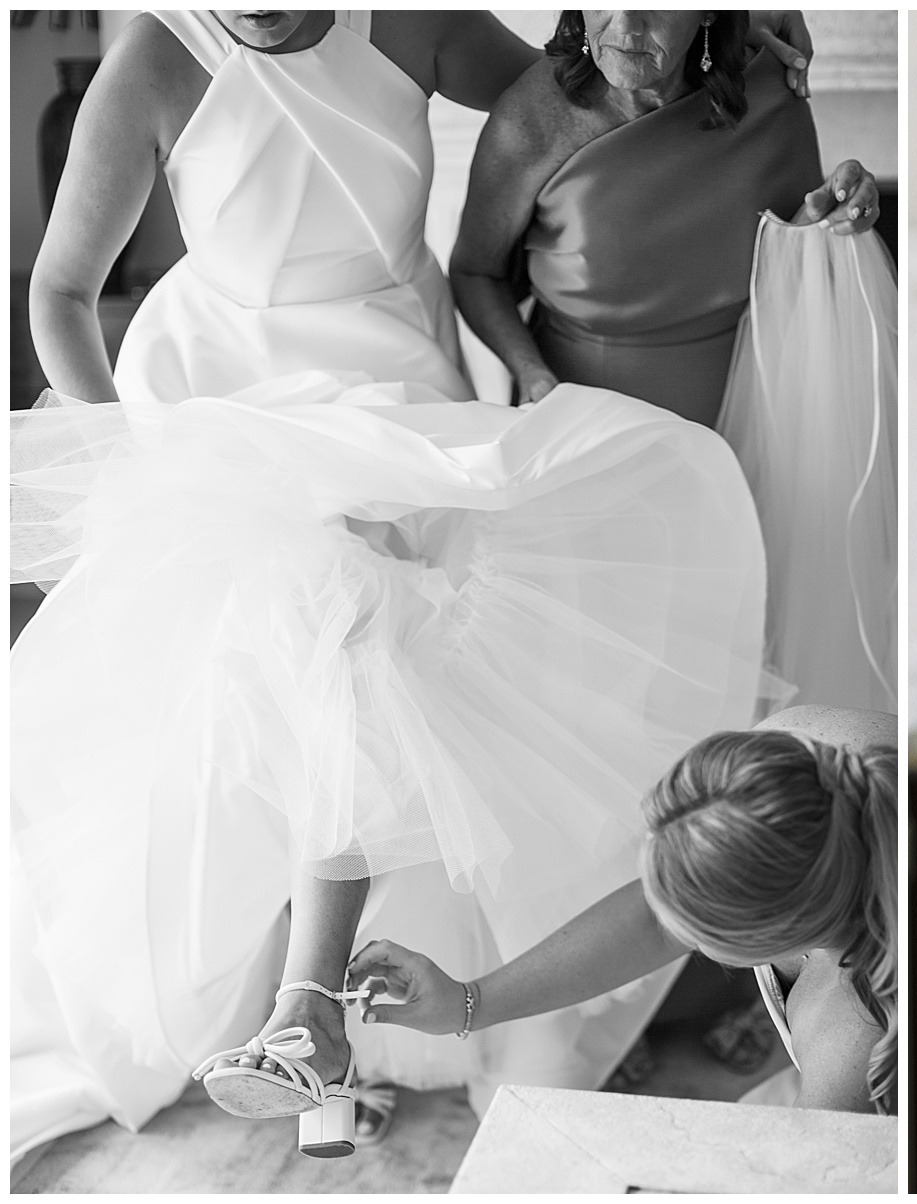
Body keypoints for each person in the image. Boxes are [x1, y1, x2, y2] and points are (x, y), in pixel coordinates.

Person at [12, 8, 809, 1161]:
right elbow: (60, 295)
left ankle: (321, 1022)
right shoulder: (153, 57)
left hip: (397, 386)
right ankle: (303, 1010)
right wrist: (127, 464)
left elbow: (578, 87)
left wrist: (741, 31)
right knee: (326, 632)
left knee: (391, 650)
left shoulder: (416, 20)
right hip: (226, 406)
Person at [345, 706, 899, 1115]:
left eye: (694, 932)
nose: (657, 916)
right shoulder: (793, 753)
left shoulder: (848, 1041)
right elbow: (651, 920)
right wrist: (469, 1001)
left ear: (779, 937)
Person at [450, 10, 879, 425]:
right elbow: (475, 272)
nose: (625, 25)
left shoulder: (772, 91)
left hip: (749, 416)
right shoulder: (530, 117)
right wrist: (530, 372)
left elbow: (798, 262)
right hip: (579, 422)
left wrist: (840, 212)